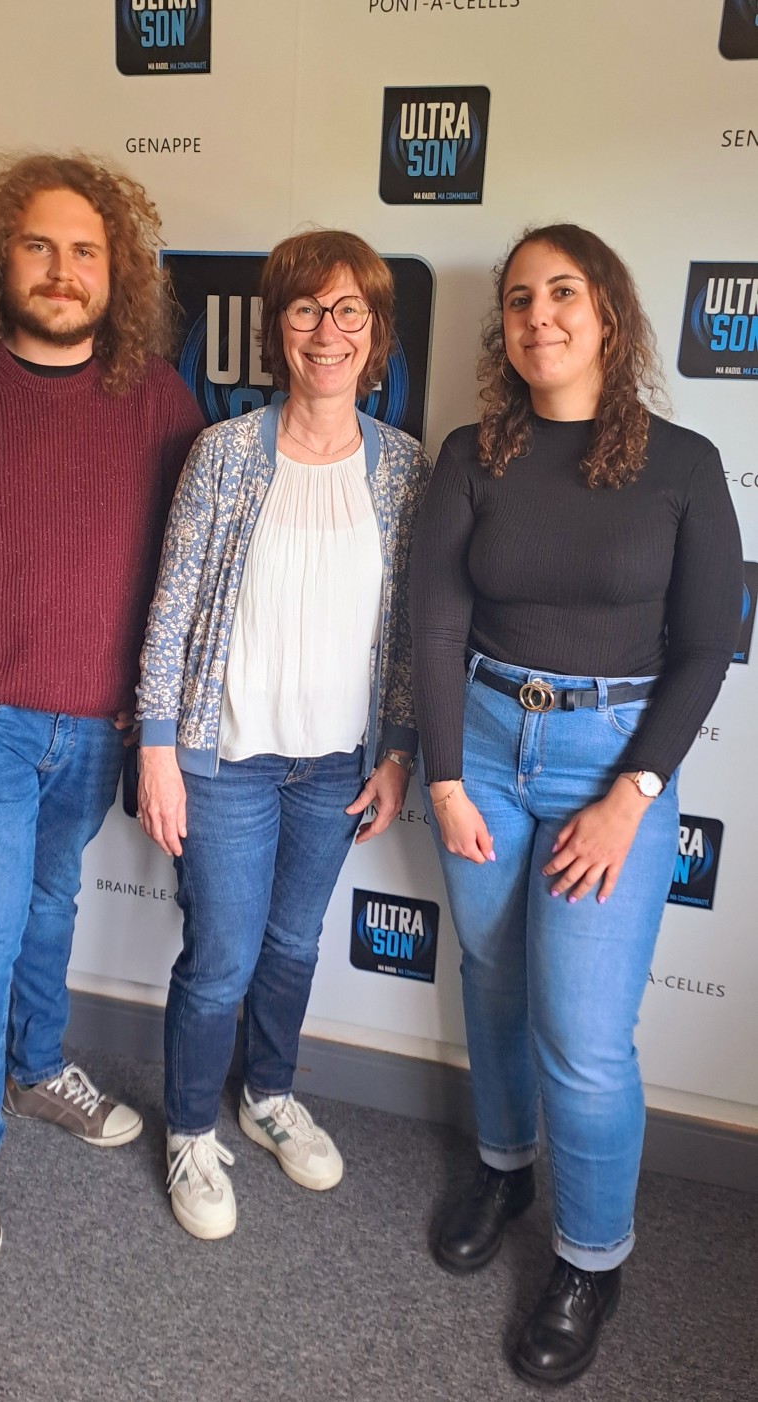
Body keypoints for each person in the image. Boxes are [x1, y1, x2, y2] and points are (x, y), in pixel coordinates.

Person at [410, 224, 742, 1385]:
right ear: (500, 327)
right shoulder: (470, 454)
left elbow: (704, 645)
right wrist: (443, 777)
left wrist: (628, 796)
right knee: (492, 980)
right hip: (483, 747)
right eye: (517, 299)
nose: (537, 316)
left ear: (606, 313)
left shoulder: (682, 464)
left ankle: (590, 1257)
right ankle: (503, 1166)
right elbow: (434, 626)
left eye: (562, 293)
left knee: (585, 1039)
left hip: (614, 761)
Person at [0, 154, 204, 1279]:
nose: (62, 271)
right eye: (39, 246)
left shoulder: (159, 402)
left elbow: (189, 568)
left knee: (54, 902)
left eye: (84, 251)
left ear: (115, 273)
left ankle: (34, 1066)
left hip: (97, 723)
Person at [137, 229, 432, 1240]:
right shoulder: (222, 454)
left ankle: (266, 1094)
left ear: (375, 334)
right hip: (225, 761)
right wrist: (157, 750)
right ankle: (188, 1128)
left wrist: (396, 750)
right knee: (220, 957)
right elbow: (171, 607)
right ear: (277, 330)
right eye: (306, 309)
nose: (327, 330)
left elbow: (408, 631)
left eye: (350, 310)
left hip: (334, 764)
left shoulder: (403, 468)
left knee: (294, 945)